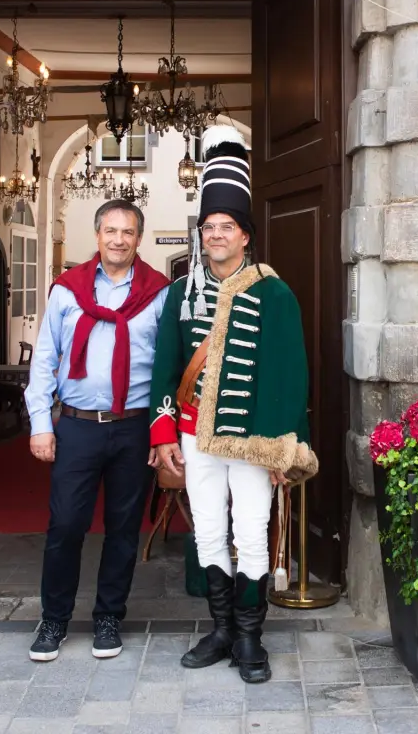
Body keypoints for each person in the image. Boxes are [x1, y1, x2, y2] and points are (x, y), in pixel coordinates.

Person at [147, 126, 318, 685]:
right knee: (207, 536)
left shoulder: (274, 293)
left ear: (245, 236)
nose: (216, 235)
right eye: (209, 227)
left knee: (251, 531)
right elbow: (165, 372)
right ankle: (221, 629)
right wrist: (164, 434)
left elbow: (292, 378)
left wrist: (280, 449)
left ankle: (250, 638)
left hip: (251, 442)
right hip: (196, 437)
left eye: (227, 227)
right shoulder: (180, 293)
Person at [23, 199, 178, 662]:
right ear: (97, 236)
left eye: (127, 232)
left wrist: (160, 432)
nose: (118, 239)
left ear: (138, 238)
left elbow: (166, 369)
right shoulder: (67, 291)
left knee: (124, 529)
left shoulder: (159, 293)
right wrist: (39, 425)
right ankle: (54, 619)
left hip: (133, 428)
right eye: (110, 230)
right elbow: (45, 360)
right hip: (78, 426)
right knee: (66, 524)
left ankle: (109, 616)